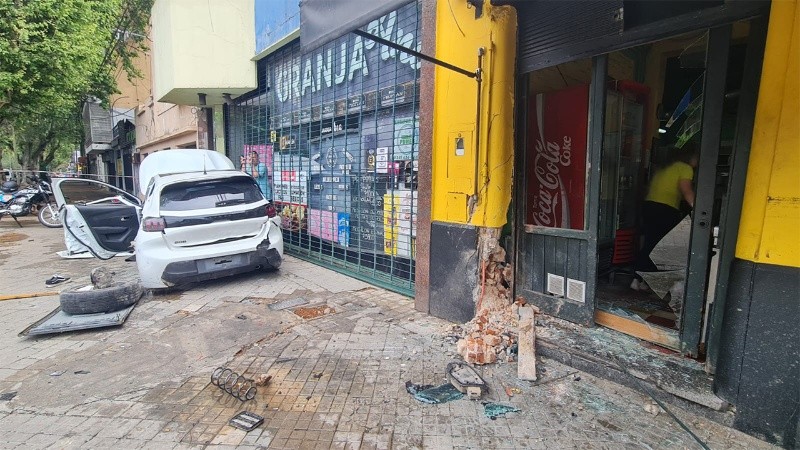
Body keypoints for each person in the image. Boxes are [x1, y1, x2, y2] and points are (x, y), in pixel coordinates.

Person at [632, 145, 698, 290]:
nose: (697, 161)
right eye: (696, 157)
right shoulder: (685, 168)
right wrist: (700, 211)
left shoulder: (665, 167)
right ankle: (659, 282)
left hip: (649, 206)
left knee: (650, 243)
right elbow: (686, 191)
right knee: (663, 247)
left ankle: (638, 280)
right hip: (665, 209)